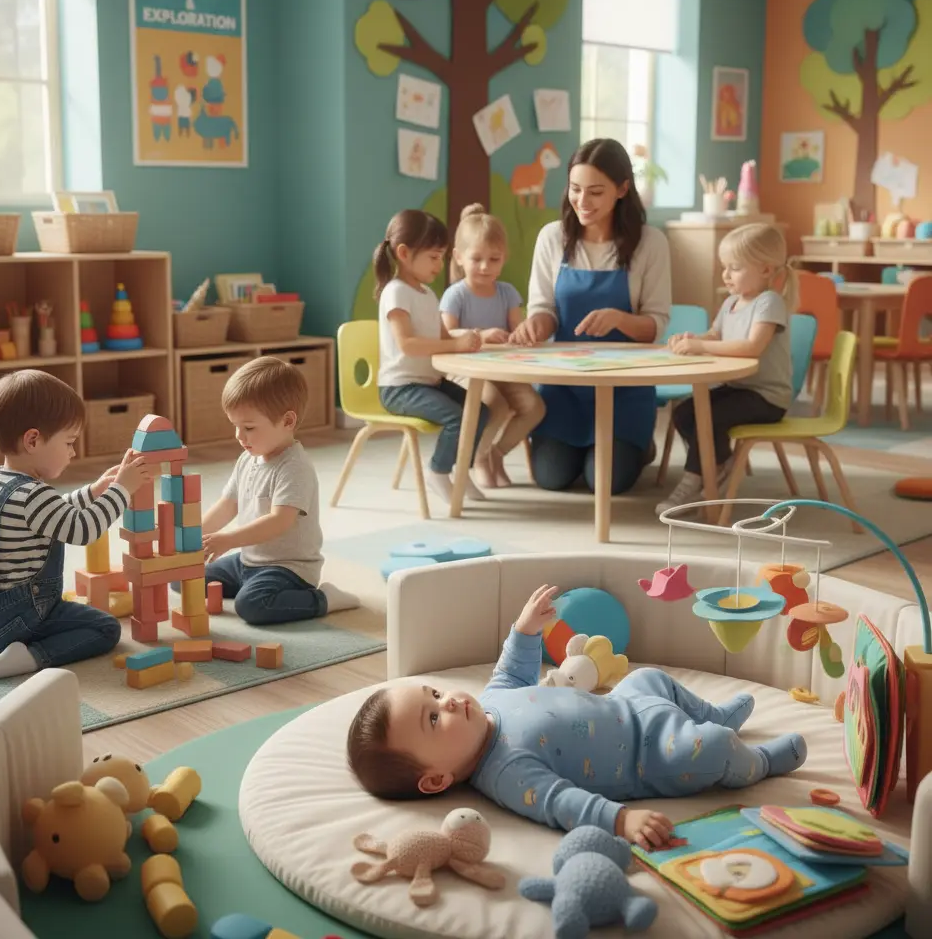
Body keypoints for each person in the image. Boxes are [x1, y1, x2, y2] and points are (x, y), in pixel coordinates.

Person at [347, 585, 807, 846]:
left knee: (651, 676)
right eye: (432, 719)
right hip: (653, 755)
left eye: (434, 693)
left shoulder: (490, 703)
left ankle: (713, 714)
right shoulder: (507, 772)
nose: (447, 700)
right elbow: (561, 803)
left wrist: (524, 630)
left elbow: (512, 670)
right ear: (435, 780)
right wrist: (620, 821)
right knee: (710, 749)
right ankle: (758, 761)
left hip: (628, 704)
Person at [0, 370, 153, 682]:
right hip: (20, 620)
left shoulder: (4, 481)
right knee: (106, 628)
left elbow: (55, 513)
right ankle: (31, 656)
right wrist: (122, 490)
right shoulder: (33, 496)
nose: (73, 452)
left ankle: (19, 648)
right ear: (33, 440)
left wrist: (95, 491)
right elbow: (82, 530)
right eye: (69, 442)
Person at [510, 139, 672, 494]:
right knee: (551, 477)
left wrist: (619, 319)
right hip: (564, 386)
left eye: (596, 192)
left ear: (622, 189)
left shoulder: (650, 243)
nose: (583, 202)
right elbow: (544, 309)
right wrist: (536, 323)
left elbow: (654, 326)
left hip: (624, 389)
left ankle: (639, 445)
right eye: (576, 189)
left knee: (605, 482)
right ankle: (582, 445)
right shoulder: (552, 238)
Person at [199, 356, 359, 624]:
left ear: (287, 421)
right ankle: (251, 586)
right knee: (185, 578)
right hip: (249, 560)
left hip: (288, 568)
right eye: (236, 426)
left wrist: (226, 540)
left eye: (248, 427)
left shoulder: (295, 467)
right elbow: (228, 505)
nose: (239, 436)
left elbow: (278, 521)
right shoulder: (247, 458)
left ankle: (324, 599)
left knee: (252, 607)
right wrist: (193, 537)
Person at [658, 223, 796, 514]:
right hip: (738, 389)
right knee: (685, 412)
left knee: (709, 416)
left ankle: (695, 480)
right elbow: (714, 335)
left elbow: (751, 347)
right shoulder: (732, 302)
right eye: (725, 267)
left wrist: (702, 348)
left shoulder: (769, 302)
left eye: (734, 268)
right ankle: (718, 465)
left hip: (767, 397)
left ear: (766, 270)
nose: (725, 274)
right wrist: (693, 339)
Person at [375, 209, 491, 504]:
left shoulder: (427, 293)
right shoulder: (396, 292)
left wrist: (471, 337)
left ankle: (461, 472)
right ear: (403, 253)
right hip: (400, 388)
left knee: (481, 412)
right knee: (457, 418)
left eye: (441, 257)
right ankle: (438, 471)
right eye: (434, 257)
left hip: (427, 382)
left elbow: (442, 337)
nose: (440, 265)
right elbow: (408, 344)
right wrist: (455, 345)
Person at [440, 203, 546, 489]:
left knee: (534, 407)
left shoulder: (508, 293)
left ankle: (494, 454)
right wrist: (481, 335)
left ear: (504, 258)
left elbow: (517, 330)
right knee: (496, 406)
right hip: (465, 373)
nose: (486, 267)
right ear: (459, 257)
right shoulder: (455, 295)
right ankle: (478, 458)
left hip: (502, 370)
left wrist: (525, 334)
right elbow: (446, 335)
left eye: (494, 259)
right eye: (477, 259)